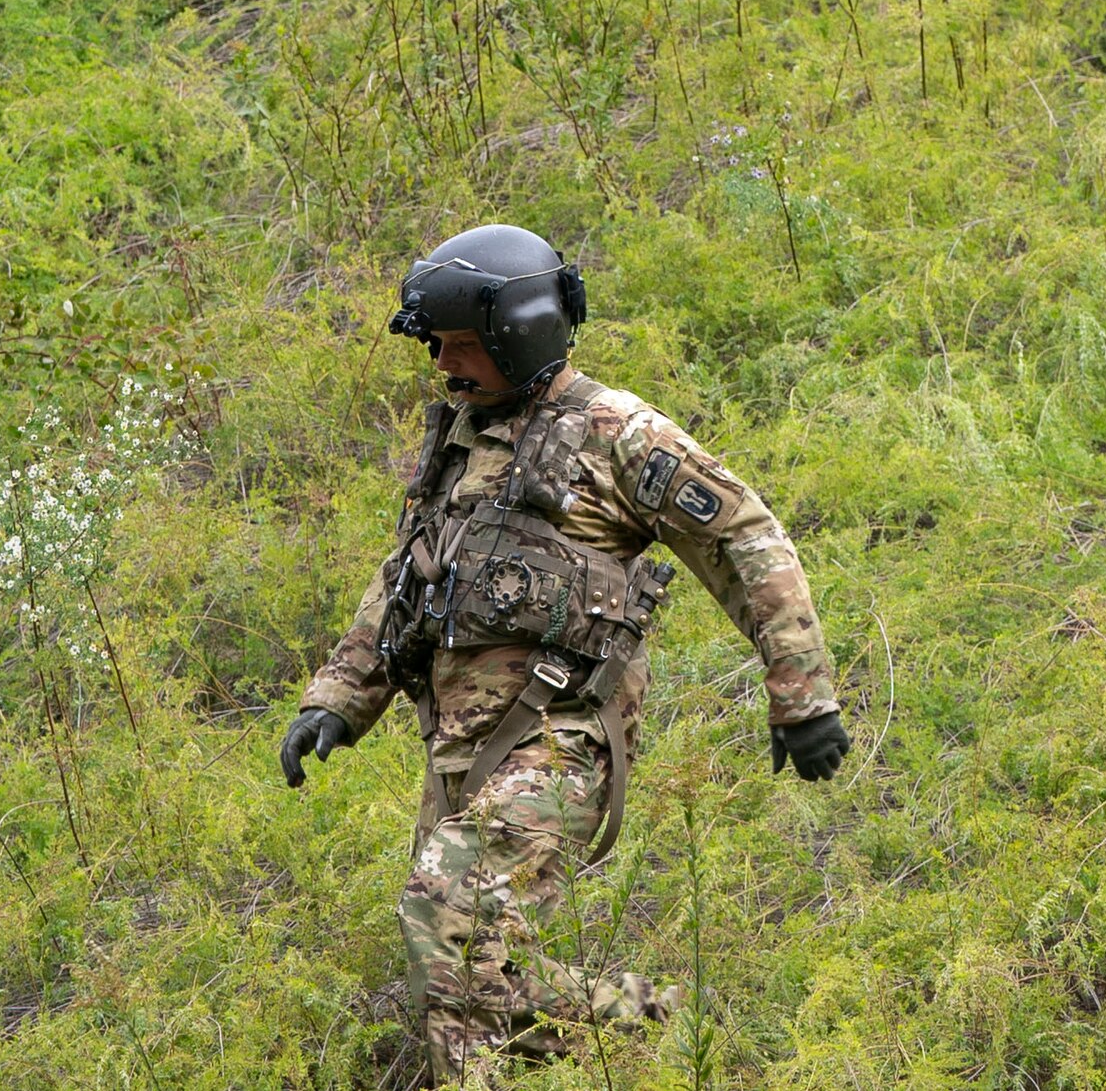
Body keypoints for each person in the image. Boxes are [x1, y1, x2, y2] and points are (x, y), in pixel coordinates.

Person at [275, 223, 849, 1072]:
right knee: (461, 969)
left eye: (463, 344)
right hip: (461, 748)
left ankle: (665, 1026)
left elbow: (743, 538)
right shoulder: (462, 438)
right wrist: (337, 697)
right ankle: (658, 1022)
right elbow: (405, 577)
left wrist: (802, 694)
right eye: (438, 345)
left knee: (445, 912)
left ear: (522, 330)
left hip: (562, 736)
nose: (445, 364)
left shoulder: (616, 432)